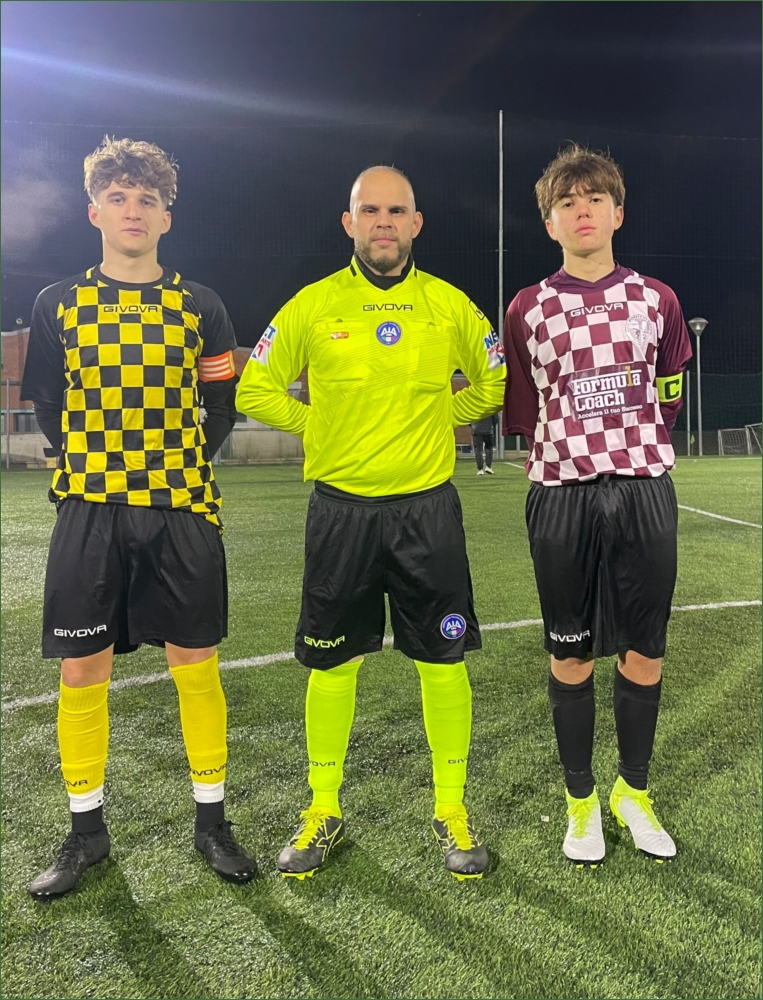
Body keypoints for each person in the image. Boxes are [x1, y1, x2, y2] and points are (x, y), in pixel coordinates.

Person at [236, 165, 505, 881]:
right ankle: (323, 808)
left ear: (416, 223)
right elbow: (255, 387)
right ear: (348, 222)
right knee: (332, 662)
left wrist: (436, 418)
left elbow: (493, 380)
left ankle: (451, 809)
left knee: (442, 661)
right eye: (369, 211)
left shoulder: (449, 304)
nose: (383, 222)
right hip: (341, 512)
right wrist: (319, 426)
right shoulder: (312, 304)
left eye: (396, 210)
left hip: (426, 511)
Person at [21, 137, 257, 900]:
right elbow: (47, 401)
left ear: (165, 218)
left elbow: (220, 403)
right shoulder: (57, 304)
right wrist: (90, 464)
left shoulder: (201, 305)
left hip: (181, 508)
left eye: (146, 199)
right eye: (118, 198)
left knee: (195, 660)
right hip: (90, 508)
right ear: (95, 212)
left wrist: (178, 466)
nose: (133, 210)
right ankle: (85, 832)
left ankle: (211, 823)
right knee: (81, 667)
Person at [503, 144, 692, 866]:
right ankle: (579, 801)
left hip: (642, 489)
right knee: (570, 652)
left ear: (617, 212)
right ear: (549, 223)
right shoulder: (527, 309)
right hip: (561, 496)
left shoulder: (657, 299)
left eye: (593, 199)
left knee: (645, 650)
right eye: (565, 203)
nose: (580, 211)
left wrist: (628, 445)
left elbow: (668, 393)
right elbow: (527, 410)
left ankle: (631, 792)